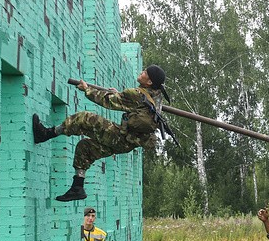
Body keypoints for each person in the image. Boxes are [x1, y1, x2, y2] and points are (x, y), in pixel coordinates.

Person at [32, 65, 169, 201]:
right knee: (85, 147)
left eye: (145, 72)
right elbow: (132, 104)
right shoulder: (156, 97)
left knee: (83, 118)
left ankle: (46, 134)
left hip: (119, 137)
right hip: (127, 145)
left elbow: (107, 101)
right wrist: (120, 95)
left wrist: (86, 89)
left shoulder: (136, 94)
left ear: (150, 82)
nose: (141, 72)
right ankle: (77, 187)